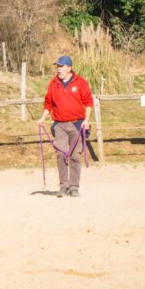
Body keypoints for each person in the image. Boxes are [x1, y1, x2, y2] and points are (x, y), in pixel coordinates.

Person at [37, 55, 94, 197]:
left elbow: (88, 103)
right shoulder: (53, 84)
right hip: (59, 125)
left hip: (77, 124)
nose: (58, 69)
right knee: (60, 155)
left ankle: (74, 187)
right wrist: (43, 118)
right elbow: (48, 103)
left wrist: (86, 120)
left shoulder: (80, 83)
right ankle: (63, 186)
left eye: (61, 66)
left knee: (75, 156)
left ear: (69, 68)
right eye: (57, 66)